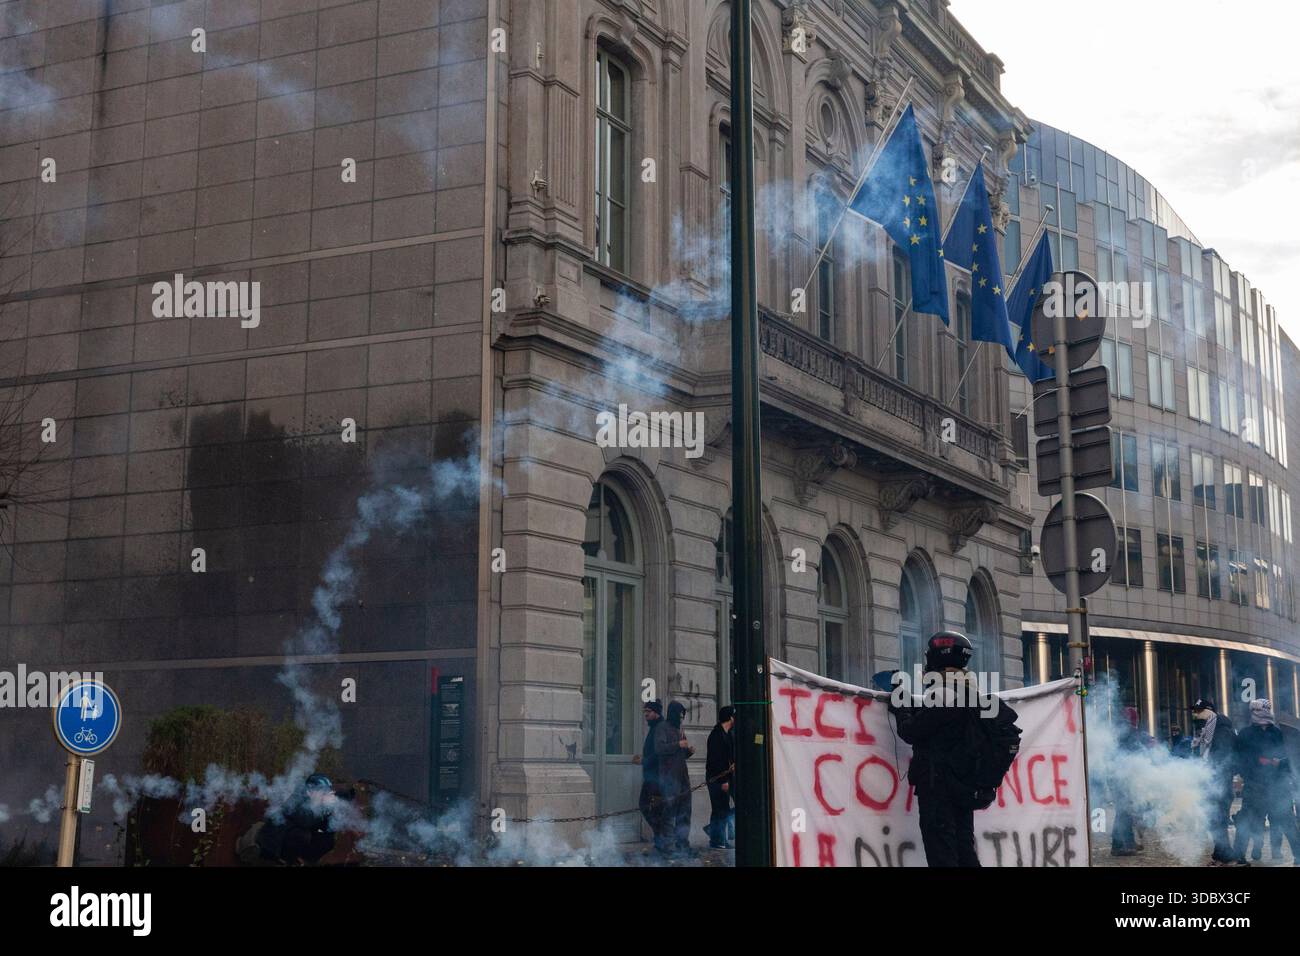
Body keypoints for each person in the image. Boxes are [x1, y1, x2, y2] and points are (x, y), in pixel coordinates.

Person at [889, 630, 1020, 868]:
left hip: (938, 790)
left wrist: (901, 703)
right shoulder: (971, 694)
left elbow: (910, 731)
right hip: (963, 787)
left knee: (943, 856)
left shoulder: (945, 698)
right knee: (965, 851)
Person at [1234, 698, 1300, 865]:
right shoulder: (1245, 734)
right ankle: (1239, 856)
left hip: (1278, 785)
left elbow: (1289, 758)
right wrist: (1254, 767)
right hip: (1255, 786)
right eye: (1258, 710)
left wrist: (1279, 763)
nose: (1262, 714)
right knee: (1247, 820)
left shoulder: (1278, 733)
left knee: (1287, 822)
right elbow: (1239, 759)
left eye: (1265, 709)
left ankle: (1298, 855)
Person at [1190, 697, 1244, 865]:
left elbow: (1226, 759)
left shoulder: (1222, 730)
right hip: (1212, 782)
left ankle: (1228, 856)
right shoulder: (1209, 730)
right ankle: (1221, 855)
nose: (1196, 714)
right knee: (1214, 821)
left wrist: (1217, 774)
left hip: (1220, 783)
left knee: (1218, 820)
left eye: (1199, 711)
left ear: (1209, 711)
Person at [655, 700, 695, 856]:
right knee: (669, 813)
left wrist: (688, 751)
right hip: (669, 778)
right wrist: (678, 744)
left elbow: (680, 754)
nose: (681, 718)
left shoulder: (679, 729)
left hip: (682, 776)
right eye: (679, 714)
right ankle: (668, 847)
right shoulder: (662, 728)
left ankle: (683, 844)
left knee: (685, 812)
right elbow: (659, 748)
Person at [633, 699, 669, 853]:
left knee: (649, 807)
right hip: (652, 777)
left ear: (656, 713)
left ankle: (662, 840)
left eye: (648, 712)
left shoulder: (660, 728)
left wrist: (644, 760)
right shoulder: (656, 727)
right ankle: (661, 841)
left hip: (656, 778)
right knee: (654, 809)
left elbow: (660, 752)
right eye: (645, 712)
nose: (646, 715)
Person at [704, 705, 736, 849]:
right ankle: (717, 840)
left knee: (723, 808)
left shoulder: (727, 733)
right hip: (717, 778)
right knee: (719, 808)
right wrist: (723, 780)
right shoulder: (717, 735)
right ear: (730, 718)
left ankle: (717, 835)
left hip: (724, 777)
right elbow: (715, 761)